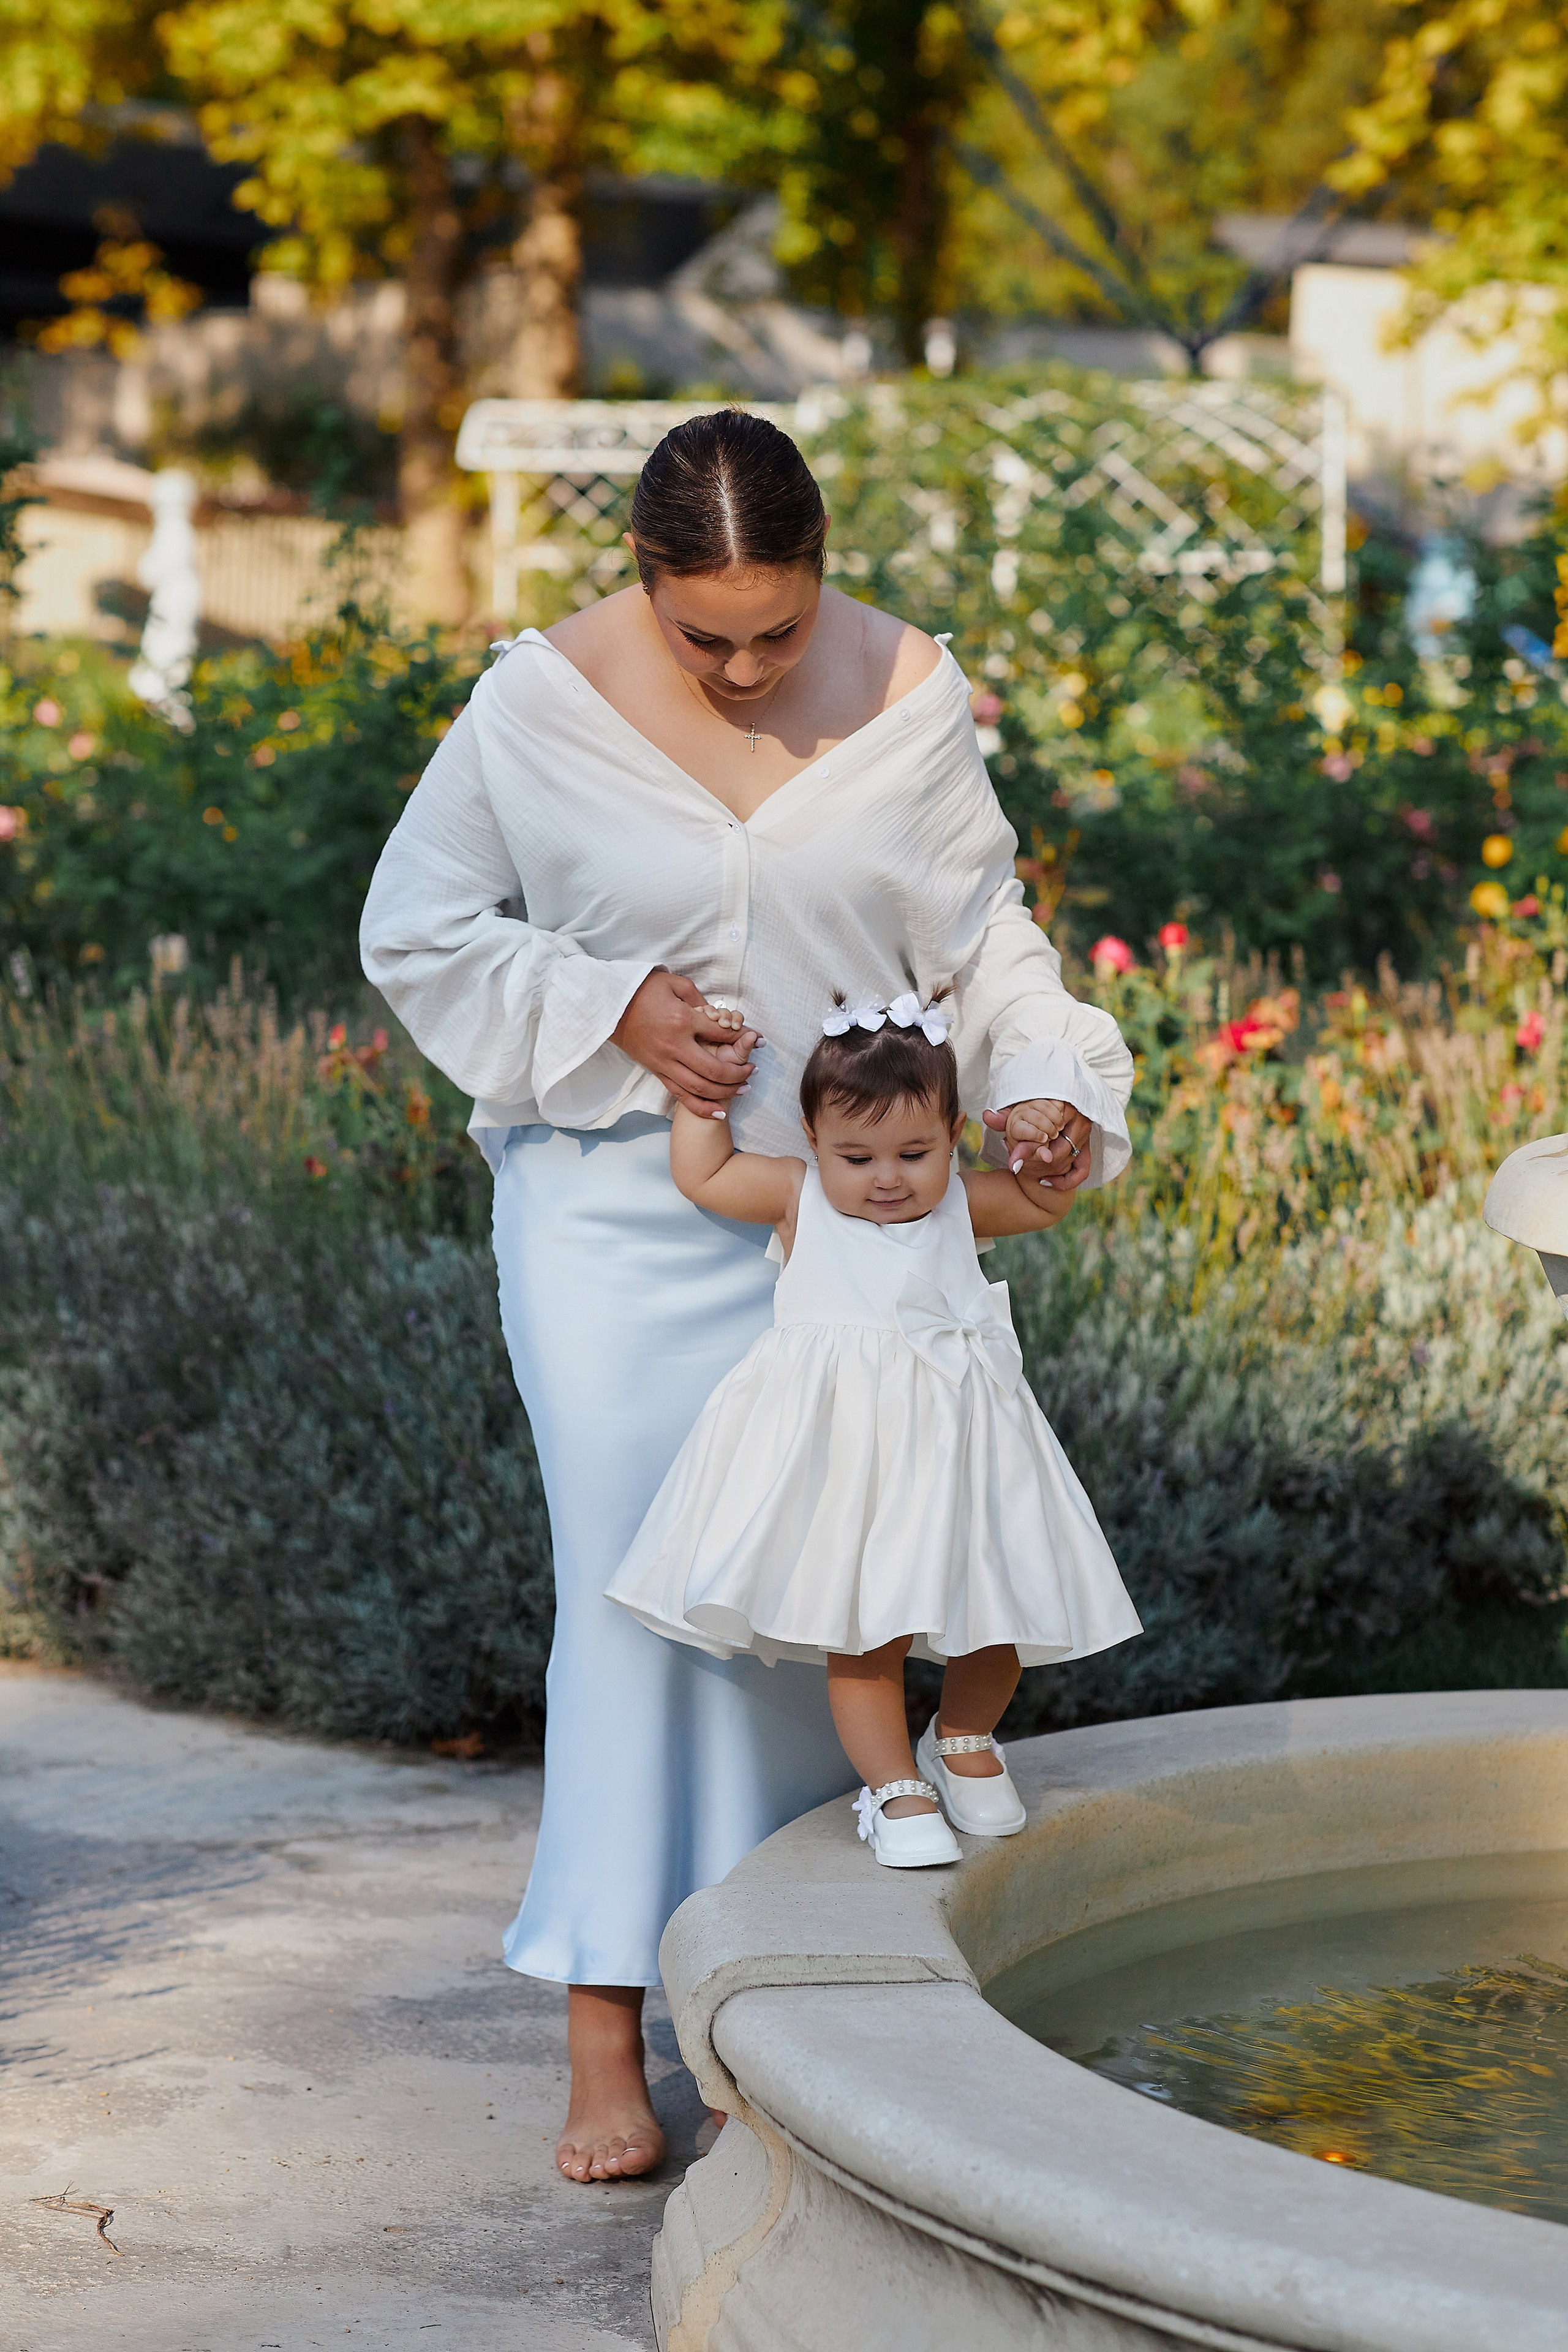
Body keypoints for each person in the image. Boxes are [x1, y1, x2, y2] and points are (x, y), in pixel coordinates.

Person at [360, 406, 1135, 2182]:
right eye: (705, 634)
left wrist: (1046, 1087)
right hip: (616, 1220)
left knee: (843, 1598)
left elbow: (985, 937)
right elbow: (417, 927)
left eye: (776, 630)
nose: (743, 665)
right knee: (642, 1600)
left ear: (824, 575)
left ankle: (802, 2031)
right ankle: (604, 2030)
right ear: (643, 573)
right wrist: (616, 1004)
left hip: (861, 1225)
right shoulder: (534, 705)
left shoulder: (907, 693)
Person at [607, 993, 1142, 1866]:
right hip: (851, 1462)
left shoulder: (961, 1206)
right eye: (856, 1155)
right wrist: (701, 1101)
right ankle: (894, 1784)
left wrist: (1047, 1146)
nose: (887, 1177)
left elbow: (1043, 1203)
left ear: (955, 1134)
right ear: (812, 1142)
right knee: (864, 1632)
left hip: (965, 1453)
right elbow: (704, 1178)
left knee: (999, 1607)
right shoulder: (800, 1198)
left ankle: (961, 1734)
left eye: (915, 1153)